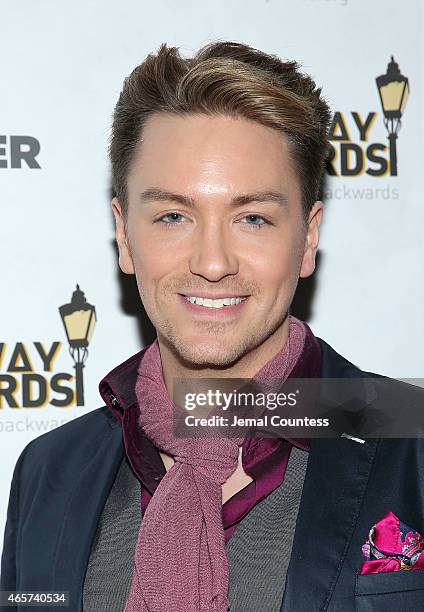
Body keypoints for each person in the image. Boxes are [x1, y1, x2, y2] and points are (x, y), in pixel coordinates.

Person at [1, 41, 424, 612]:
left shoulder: (411, 443)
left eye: (253, 218)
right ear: (125, 236)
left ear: (309, 238)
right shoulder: (50, 470)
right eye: (173, 216)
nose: (213, 261)